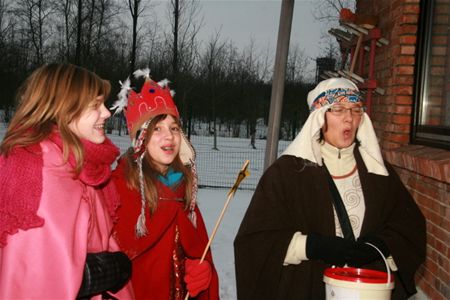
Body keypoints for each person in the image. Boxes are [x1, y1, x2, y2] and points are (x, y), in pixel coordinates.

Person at [234, 78, 426, 300]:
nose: (349, 118)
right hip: (306, 290)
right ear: (319, 117)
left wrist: (380, 245)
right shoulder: (286, 173)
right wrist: (312, 246)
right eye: (338, 109)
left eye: (356, 110)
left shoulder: (378, 171)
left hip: (365, 290)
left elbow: (409, 227)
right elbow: (255, 242)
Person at [0, 63, 134, 299]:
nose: (106, 113)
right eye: (95, 105)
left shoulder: (82, 165)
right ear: (63, 110)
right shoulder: (35, 175)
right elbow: (31, 278)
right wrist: (102, 272)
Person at [110, 69, 219, 300]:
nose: (169, 137)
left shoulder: (185, 193)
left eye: (174, 128)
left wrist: (202, 273)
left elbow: (198, 253)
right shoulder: (118, 191)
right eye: (157, 129)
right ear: (140, 140)